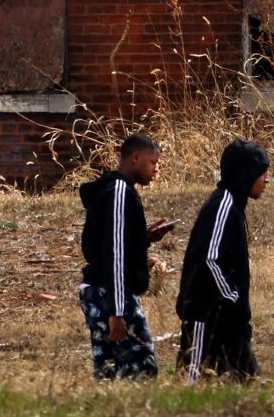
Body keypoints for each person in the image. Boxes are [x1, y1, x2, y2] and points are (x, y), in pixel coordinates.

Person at [78, 131, 174, 379]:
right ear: (135, 158)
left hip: (100, 291)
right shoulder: (119, 192)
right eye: (152, 162)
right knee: (142, 368)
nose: (155, 169)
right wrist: (117, 311)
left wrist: (144, 238)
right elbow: (115, 252)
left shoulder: (114, 189)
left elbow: (109, 242)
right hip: (108, 295)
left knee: (109, 372)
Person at [176, 137, 270, 382]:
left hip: (229, 323)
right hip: (205, 319)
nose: (266, 179)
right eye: (262, 173)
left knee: (249, 387)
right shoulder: (222, 206)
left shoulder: (234, 205)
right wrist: (232, 296)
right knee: (192, 388)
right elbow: (209, 259)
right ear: (246, 174)